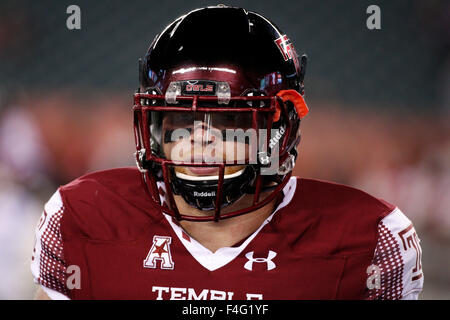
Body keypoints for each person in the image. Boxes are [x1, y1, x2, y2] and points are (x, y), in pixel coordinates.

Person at [32, 5, 423, 300]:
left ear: (279, 128)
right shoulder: (83, 219)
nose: (199, 142)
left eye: (228, 124)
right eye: (177, 122)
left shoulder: (368, 241)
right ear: (151, 128)